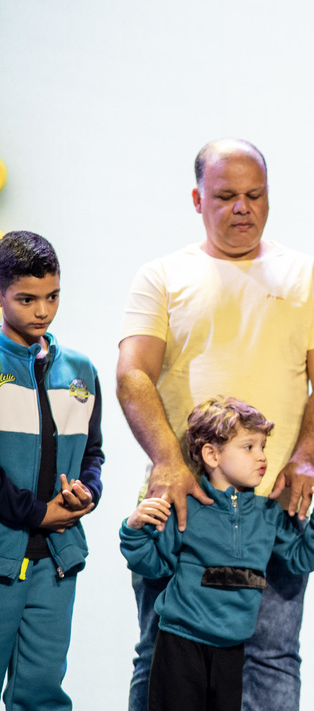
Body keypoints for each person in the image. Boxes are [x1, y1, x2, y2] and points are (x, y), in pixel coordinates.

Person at [116, 138, 314, 711]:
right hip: (185, 503)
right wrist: (168, 460)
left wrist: (305, 458)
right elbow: (132, 374)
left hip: (273, 506)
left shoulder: (307, 275)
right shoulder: (163, 275)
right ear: (198, 199)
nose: (242, 207)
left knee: (272, 656)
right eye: (225, 196)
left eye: (255, 194)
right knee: (161, 651)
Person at [120, 397, 314, 711]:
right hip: (179, 646)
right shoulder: (187, 508)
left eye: (263, 447)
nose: (262, 457)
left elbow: (300, 558)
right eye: (249, 447)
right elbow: (154, 565)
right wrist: (134, 530)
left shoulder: (268, 514)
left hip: (231, 650)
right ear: (212, 455)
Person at [0, 231, 103, 711]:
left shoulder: (80, 370)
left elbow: (92, 453)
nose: (42, 311)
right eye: (27, 299)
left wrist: (87, 495)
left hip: (57, 561)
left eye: (53, 296)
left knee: (41, 695)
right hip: (4, 552)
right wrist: (37, 513)